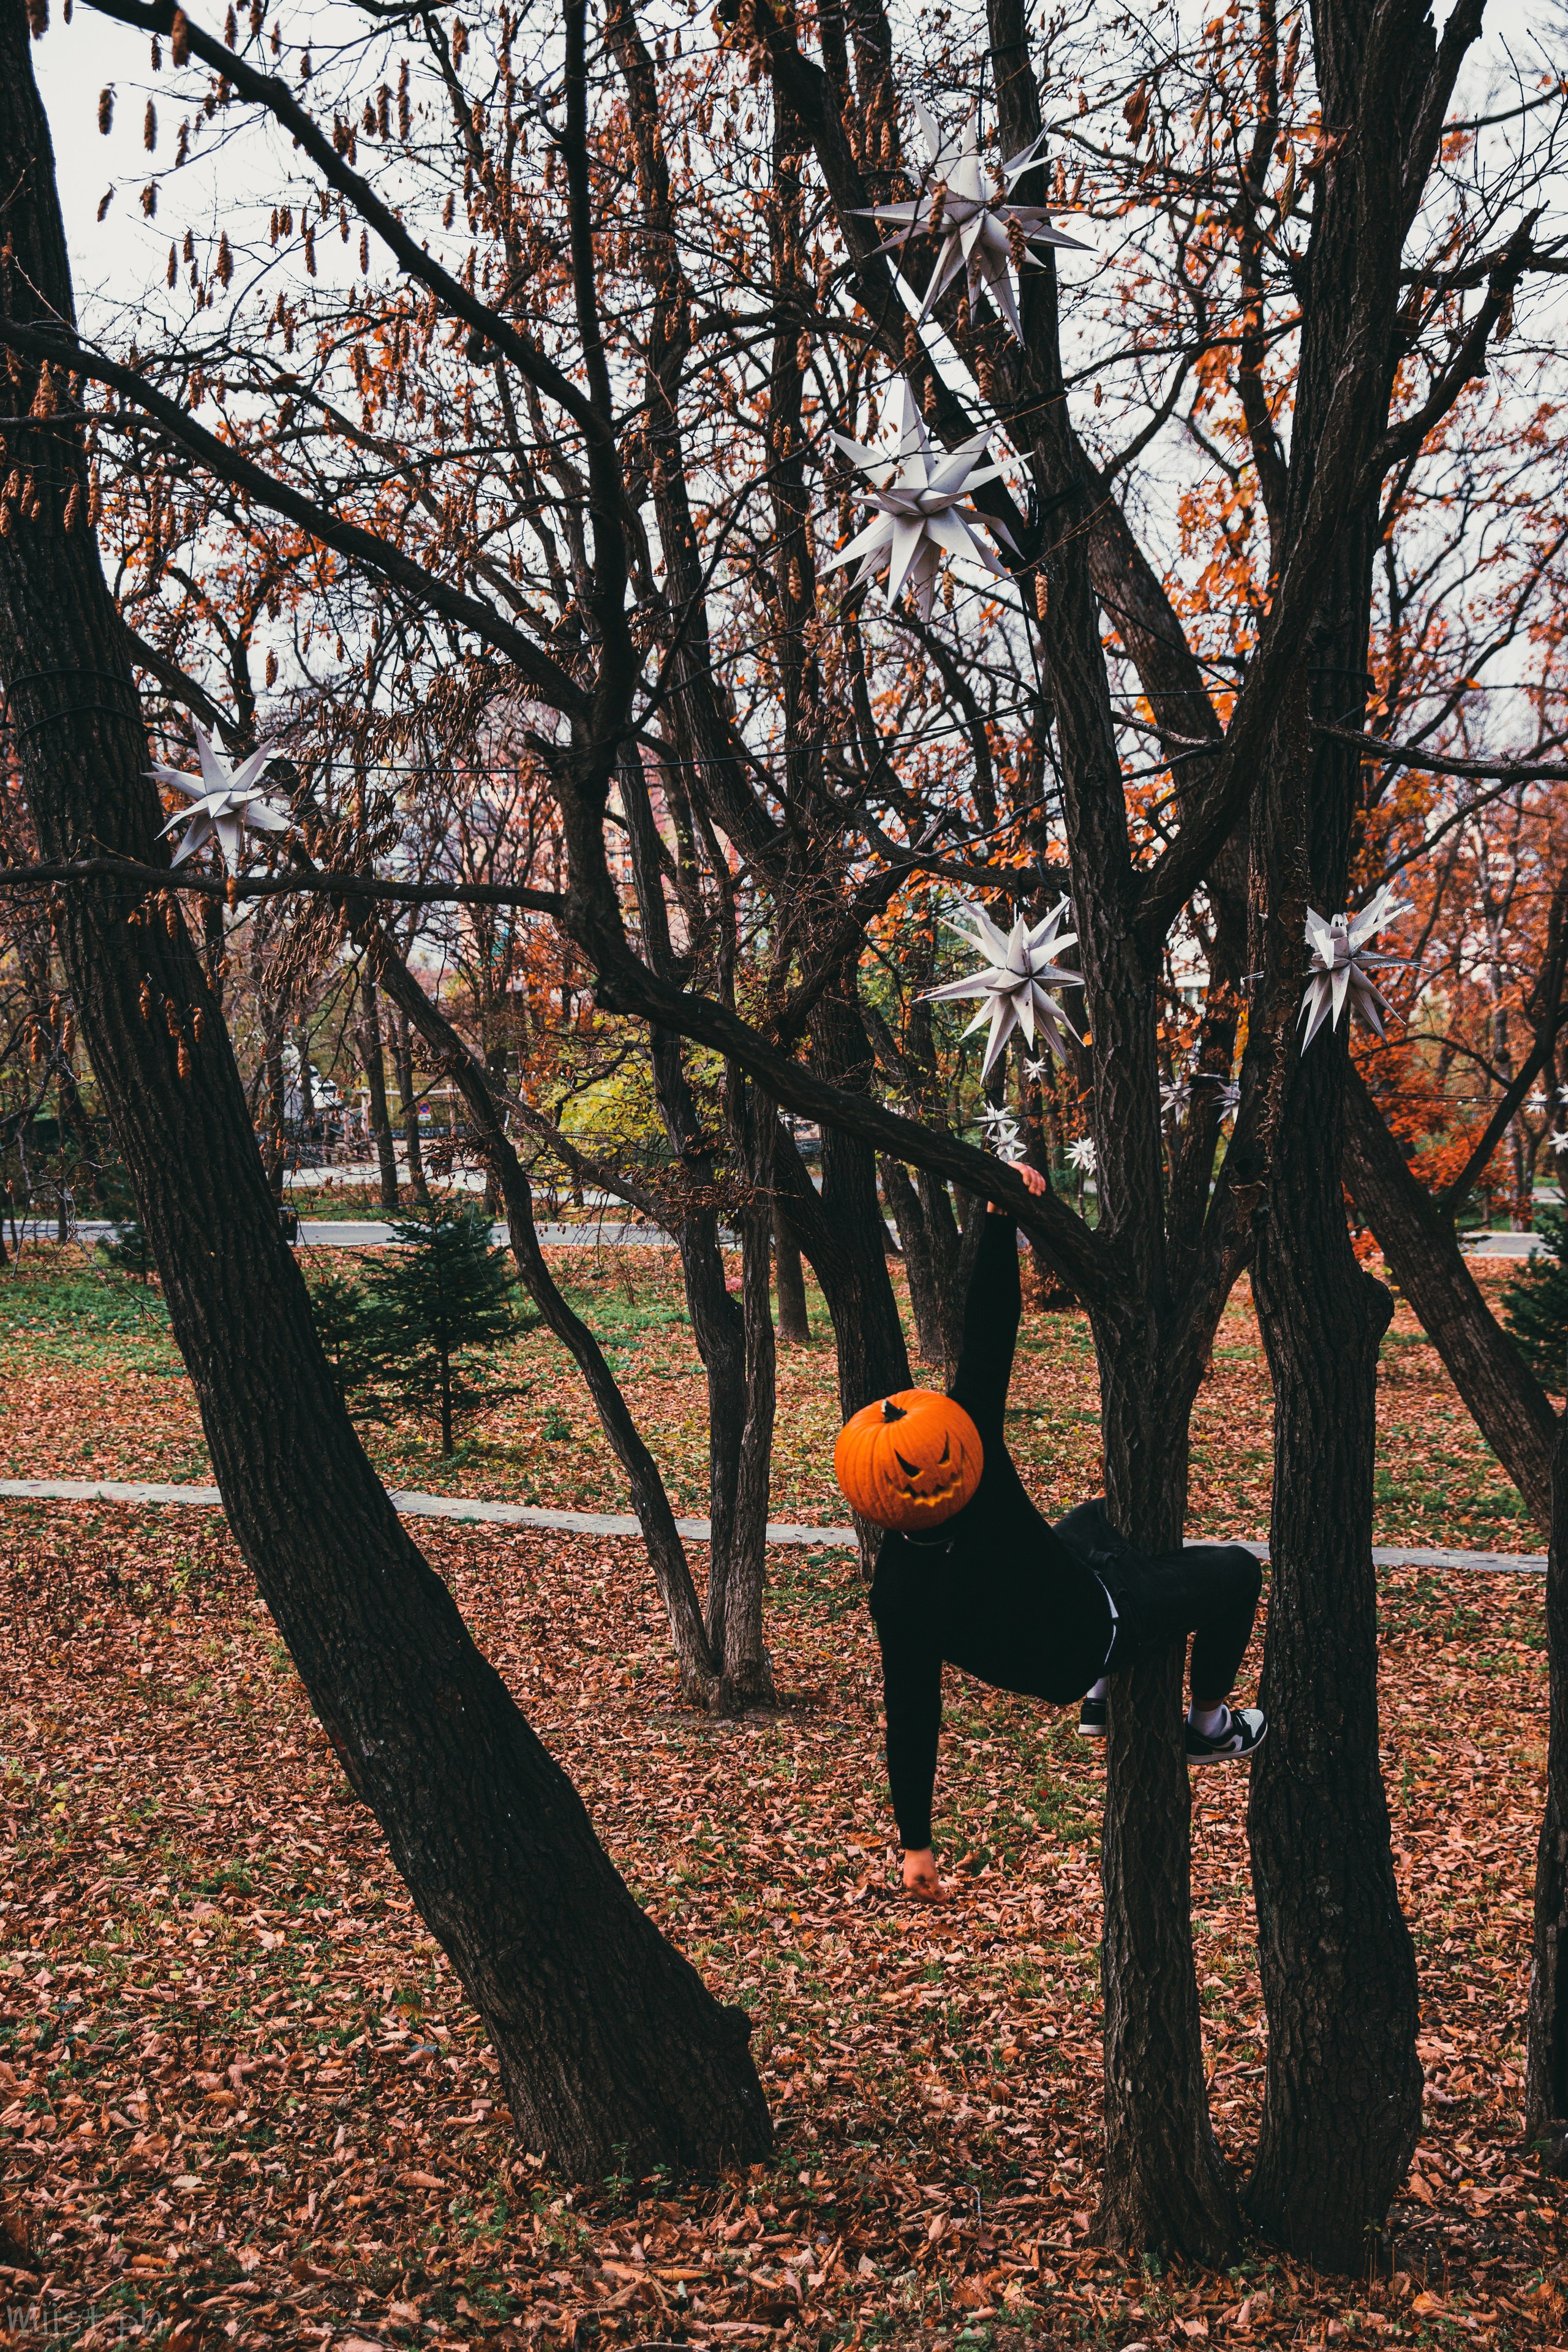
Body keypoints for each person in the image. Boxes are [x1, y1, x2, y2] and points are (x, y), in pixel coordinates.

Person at [869, 1167, 1265, 1902]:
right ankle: (1207, 1726)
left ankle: (1093, 1696)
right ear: (951, 1450)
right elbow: (989, 1337)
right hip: (1100, 1623)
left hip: (1047, 1621)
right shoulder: (971, 1450)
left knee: (1093, 1516)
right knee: (1238, 1572)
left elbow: (912, 1712)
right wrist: (998, 1216)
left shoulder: (896, 1587)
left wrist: (914, 1845)